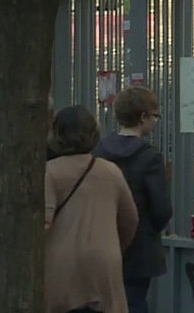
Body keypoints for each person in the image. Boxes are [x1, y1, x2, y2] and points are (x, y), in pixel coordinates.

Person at [45, 105, 139, 313]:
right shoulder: (111, 172)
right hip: (105, 260)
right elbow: (130, 219)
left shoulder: (49, 172)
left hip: (61, 263)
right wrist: (114, 246)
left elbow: (44, 221)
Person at [94, 88, 173, 313]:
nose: (156, 122)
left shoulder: (99, 151)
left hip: (104, 239)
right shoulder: (150, 157)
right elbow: (161, 208)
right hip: (140, 246)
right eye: (155, 116)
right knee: (135, 302)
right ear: (142, 117)